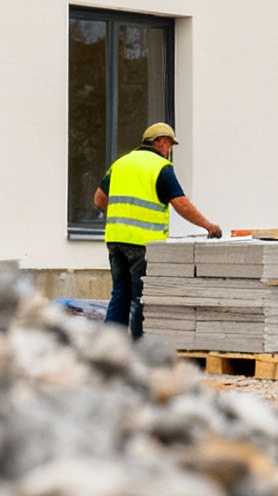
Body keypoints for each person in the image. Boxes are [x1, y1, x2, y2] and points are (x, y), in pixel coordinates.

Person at [92, 121, 221, 338]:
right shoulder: (160, 167)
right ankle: (139, 350)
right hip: (142, 243)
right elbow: (181, 204)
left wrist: (123, 215)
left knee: (120, 293)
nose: (169, 150)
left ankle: (108, 347)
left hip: (115, 239)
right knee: (141, 297)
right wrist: (208, 226)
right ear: (159, 142)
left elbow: (99, 199)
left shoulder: (121, 163)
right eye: (169, 144)